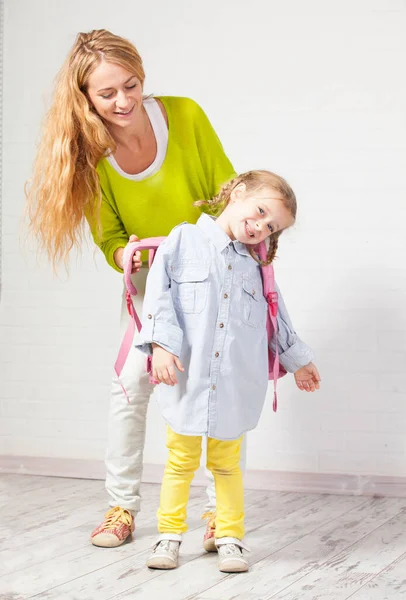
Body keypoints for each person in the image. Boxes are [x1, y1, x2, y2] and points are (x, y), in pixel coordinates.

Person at [25, 28, 238, 548]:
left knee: (214, 388)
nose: (123, 101)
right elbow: (111, 241)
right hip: (148, 285)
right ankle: (121, 506)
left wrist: (198, 248)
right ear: (85, 99)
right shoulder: (90, 158)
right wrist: (135, 255)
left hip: (211, 274)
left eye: (131, 84)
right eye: (106, 93)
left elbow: (227, 194)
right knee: (130, 386)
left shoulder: (185, 116)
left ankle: (219, 515)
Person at [135, 170, 321, 573]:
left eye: (271, 226)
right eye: (259, 212)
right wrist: (162, 346)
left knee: (227, 464)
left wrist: (298, 360)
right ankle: (169, 536)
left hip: (234, 383)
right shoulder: (184, 240)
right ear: (236, 194)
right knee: (179, 461)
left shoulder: (257, 265)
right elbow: (158, 296)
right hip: (187, 377)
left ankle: (230, 537)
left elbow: (276, 317)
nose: (260, 227)